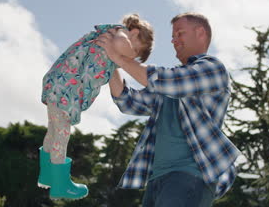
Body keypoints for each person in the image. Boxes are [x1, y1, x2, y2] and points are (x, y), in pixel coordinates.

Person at [95, 12, 242, 207]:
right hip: (157, 179)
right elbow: (128, 101)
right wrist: (111, 62)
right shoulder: (171, 85)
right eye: (173, 36)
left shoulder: (212, 68)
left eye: (180, 33)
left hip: (190, 176)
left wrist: (120, 57)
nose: (174, 40)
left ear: (200, 33)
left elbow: (165, 81)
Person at [37, 14, 154, 200]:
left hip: (60, 85)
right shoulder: (120, 35)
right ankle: (60, 184)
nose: (132, 56)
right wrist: (130, 56)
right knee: (61, 133)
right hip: (64, 87)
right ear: (135, 33)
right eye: (136, 50)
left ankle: (47, 175)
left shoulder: (112, 43)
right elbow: (122, 46)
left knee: (53, 132)